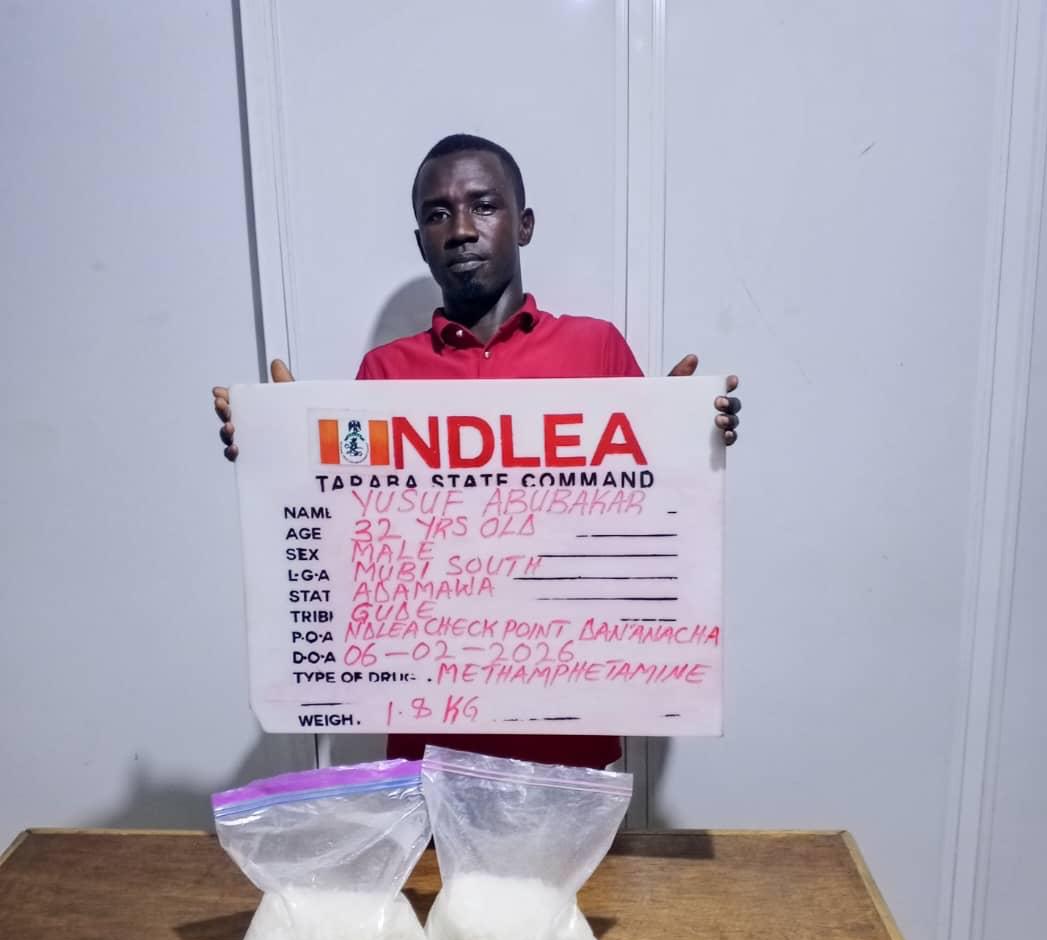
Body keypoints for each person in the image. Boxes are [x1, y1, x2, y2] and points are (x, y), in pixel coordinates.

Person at [213, 134, 741, 770]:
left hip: (571, 734)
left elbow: (643, 533)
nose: (461, 229)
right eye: (438, 214)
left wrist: (687, 437)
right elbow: (353, 549)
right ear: (421, 242)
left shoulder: (595, 349)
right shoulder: (385, 372)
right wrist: (282, 452)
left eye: (483, 206)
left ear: (525, 224)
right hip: (432, 739)